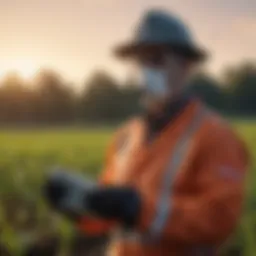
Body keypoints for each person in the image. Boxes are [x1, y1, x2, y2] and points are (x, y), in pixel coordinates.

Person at [44, 9, 249, 256]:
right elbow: (110, 219)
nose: (145, 70)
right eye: (140, 61)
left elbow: (219, 219)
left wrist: (139, 209)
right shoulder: (125, 137)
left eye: (156, 59)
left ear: (185, 65)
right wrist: (79, 204)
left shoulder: (215, 136)